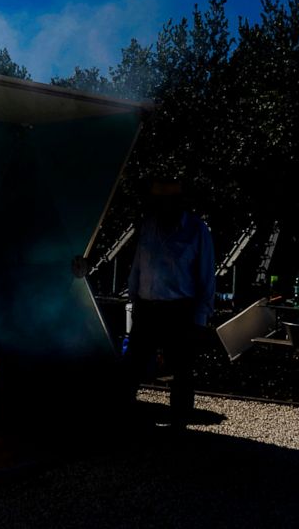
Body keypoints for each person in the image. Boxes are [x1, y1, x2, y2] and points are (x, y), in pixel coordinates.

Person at [124, 177, 215, 431]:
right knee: (133, 366)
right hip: (147, 307)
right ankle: (124, 420)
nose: (162, 206)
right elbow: (139, 266)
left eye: (167, 201)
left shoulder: (197, 230)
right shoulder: (148, 225)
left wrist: (199, 319)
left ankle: (178, 426)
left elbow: (206, 276)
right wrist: (134, 299)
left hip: (179, 310)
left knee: (182, 371)